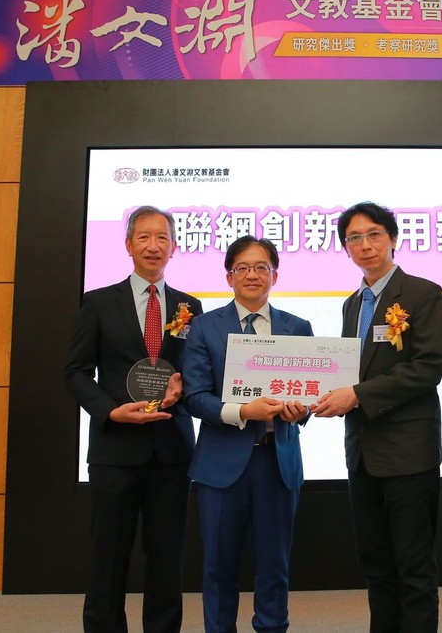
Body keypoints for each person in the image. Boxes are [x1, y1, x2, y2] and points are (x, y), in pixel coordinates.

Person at [64, 205, 203, 633]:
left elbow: (197, 371)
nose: (153, 246)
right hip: (115, 450)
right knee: (108, 558)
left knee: (167, 559)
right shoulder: (98, 302)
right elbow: (76, 371)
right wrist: (109, 410)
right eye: (144, 237)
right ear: (128, 245)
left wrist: (182, 389)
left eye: (162, 238)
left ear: (174, 247)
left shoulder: (190, 306)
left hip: (171, 451)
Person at [313, 202, 442, 633]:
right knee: (375, 564)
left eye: (373, 234)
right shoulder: (353, 304)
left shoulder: (423, 293)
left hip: (408, 454)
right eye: (354, 238)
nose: (365, 245)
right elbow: (352, 371)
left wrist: (356, 395)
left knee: (414, 567)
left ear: (393, 238)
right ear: (345, 247)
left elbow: (427, 368)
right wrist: (320, 395)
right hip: (362, 453)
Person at [181, 235, 313, 633]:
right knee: (218, 567)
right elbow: (195, 396)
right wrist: (241, 411)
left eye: (261, 267)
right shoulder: (204, 326)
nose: (252, 275)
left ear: (275, 275)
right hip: (221, 465)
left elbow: (309, 392)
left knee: (275, 565)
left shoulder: (298, 327)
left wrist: (301, 410)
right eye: (242, 267)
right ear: (229, 276)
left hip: (277, 461)